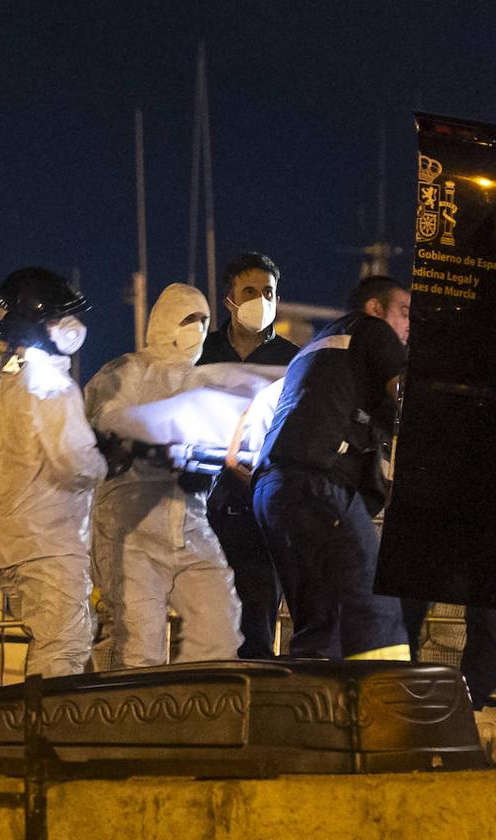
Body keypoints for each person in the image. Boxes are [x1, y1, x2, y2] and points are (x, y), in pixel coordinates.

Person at [252, 275, 411, 660]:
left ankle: (307, 713)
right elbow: (408, 399)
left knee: (322, 623)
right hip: (319, 486)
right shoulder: (372, 331)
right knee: (376, 612)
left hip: (273, 493)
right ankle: (393, 714)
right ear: (375, 308)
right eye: (405, 312)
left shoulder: (316, 348)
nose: (409, 325)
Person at [86, 283, 242, 668]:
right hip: (131, 526)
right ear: (165, 321)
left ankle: (200, 712)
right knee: (139, 645)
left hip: (188, 522)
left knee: (220, 622)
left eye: (205, 321)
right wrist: (147, 446)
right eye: (190, 319)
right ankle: (131, 722)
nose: (198, 329)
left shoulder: (202, 383)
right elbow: (105, 425)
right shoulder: (128, 372)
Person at [0, 267, 108, 678]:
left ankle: (34, 733)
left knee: (51, 643)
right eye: (60, 318)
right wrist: (110, 456)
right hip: (48, 545)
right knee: (62, 648)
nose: (73, 328)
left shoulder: (13, 380)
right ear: (37, 323)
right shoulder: (52, 384)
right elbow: (75, 464)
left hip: (13, 545)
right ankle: (46, 736)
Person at [198, 252, 299, 658]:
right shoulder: (201, 354)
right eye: (250, 291)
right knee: (204, 620)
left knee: (257, 622)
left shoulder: (293, 360)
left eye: (268, 292)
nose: (261, 299)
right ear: (230, 300)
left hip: (260, 511)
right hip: (201, 510)